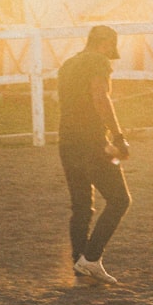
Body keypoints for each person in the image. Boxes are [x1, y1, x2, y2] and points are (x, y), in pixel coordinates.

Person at [57, 25, 131, 284]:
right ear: (107, 44)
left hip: (67, 142)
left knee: (81, 207)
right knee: (120, 200)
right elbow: (100, 97)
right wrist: (118, 136)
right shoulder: (98, 61)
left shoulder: (68, 64)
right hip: (91, 141)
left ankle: (80, 265)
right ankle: (91, 258)